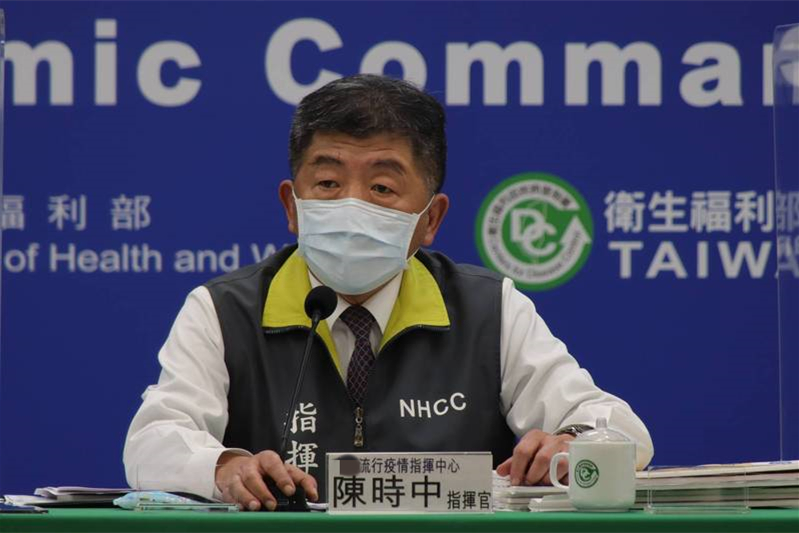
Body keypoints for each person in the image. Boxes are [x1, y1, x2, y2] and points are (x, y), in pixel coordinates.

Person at [124, 74, 654, 512]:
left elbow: (621, 430)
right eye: (328, 184)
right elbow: (153, 441)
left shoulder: (489, 310)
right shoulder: (224, 310)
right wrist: (225, 468)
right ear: (292, 206)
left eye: (381, 187)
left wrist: (574, 442)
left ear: (431, 219)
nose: (352, 206)